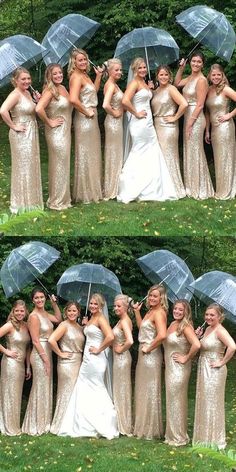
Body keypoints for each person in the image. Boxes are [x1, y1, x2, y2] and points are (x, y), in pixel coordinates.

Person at [117, 57, 178, 203]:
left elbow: (145, 98)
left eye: (144, 67)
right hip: (139, 123)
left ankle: (152, 185)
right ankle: (133, 185)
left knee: (151, 151)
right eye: (140, 68)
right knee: (140, 150)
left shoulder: (144, 83)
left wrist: (149, 89)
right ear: (134, 70)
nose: (143, 70)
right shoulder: (133, 83)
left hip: (148, 123)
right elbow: (125, 101)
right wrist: (136, 113)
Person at [58, 293, 119, 439]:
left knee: (95, 386)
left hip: (95, 359)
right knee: (85, 387)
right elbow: (92, 333)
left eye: (95, 304)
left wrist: (99, 349)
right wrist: (86, 325)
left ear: (101, 306)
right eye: (91, 303)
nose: (92, 306)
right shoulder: (92, 318)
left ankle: (100, 421)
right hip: (87, 358)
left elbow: (110, 336)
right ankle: (83, 421)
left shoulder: (101, 319)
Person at [0, 67, 43, 214]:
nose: (26, 81)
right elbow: (2, 110)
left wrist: (38, 101)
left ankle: (31, 201)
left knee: (30, 166)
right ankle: (21, 203)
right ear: (15, 80)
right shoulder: (15, 94)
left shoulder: (27, 92)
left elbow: (32, 111)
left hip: (31, 133)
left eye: (28, 78)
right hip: (21, 135)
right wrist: (13, 125)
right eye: (23, 79)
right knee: (23, 167)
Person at [193, 303, 236, 449]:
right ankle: (204, 436)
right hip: (204, 368)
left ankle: (214, 439)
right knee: (205, 401)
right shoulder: (207, 329)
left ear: (220, 316)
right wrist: (197, 337)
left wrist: (222, 361)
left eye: (212, 315)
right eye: (207, 314)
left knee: (212, 403)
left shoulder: (220, 330)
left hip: (214, 371)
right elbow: (203, 346)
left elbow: (233, 346)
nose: (209, 317)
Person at [22, 288, 62, 435]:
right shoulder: (33, 316)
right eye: (36, 298)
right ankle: (35, 423)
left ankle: (44, 421)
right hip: (40, 355)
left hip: (47, 353)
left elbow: (58, 320)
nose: (39, 300)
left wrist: (54, 304)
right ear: (32, 300)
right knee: (40, 387)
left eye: (41, 297)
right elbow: (35, 340)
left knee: (46, 386)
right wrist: (45, 359)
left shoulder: (44, 313)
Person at [174, 52, 214, 199]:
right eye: (193, 61)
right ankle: (190, 185)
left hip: (195, 118)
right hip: (188, 117)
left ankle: (200, 187)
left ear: (203, 64)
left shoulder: (202, 80)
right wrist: (180, 68)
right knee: (189, 150)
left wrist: (190, 123)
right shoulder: (190, 77)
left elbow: (200, 104)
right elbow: (177, 84)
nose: (196, 64)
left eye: (199, 62)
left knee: (195, 151)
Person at [68, 48, 103, 203]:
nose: (83, 62)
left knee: (93, 152)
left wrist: (99, 76)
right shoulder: (75, 77)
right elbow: (73, 99)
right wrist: (86, 112)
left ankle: (93, 188)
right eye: (80, 60)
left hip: (91, 117)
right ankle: (84, 193)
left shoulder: (84, 75)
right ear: (73, 62)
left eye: (85, 59)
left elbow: (92, 91)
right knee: (85, 153)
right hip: (84, 118)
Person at [132, 284, 167, 439]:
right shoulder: (151, 311)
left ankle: (151, 429)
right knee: (142, 389)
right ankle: (142, 425)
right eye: (151, 295)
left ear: (161, 298)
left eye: (155, 296)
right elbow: (142, 328)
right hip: (143, 353)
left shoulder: (159, 313)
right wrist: (137, 312)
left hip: (151, 355)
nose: (152, 298)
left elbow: (162, 335)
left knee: (150, 390)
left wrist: (149, 348)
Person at [163, 300, 200, 446]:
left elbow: (196, 345)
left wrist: (185, 358)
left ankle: (178, 436)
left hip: (179, 369)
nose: (177, 311)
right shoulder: (172, 324)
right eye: (176, 309)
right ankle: (171, 434)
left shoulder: (185, 326)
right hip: (170, 368)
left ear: (186, 312)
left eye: (180, 310)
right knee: (172, 400)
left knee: (176, 400)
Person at [36, 64, 73, 210]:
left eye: (60, 73)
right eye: (55, 74)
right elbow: (39, 109)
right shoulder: (50, 90)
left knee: (63, 164)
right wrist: (50, 122)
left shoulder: (63, 88)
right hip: (56, 133)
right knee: (59, 164)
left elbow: (71, 104)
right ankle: (57, 201)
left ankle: (63, 198)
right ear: (49, 76)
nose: (58, 75)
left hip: (65, 132)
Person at [49, 301, 85, 434]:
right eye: (69, 311)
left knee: (75, 393)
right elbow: (51, 340)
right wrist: (60, 353)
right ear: (66, 312)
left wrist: (85, 325)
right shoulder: (64, 325)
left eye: (74, 311)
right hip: (66, 363)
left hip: (78, 362)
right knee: (66, 392)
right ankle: (61, 424)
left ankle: (73, 423)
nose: (71, 313)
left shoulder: (79, 327)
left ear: (78, 312)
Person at [151, 65, 187, 199]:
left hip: (169, 127)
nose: (164, 77)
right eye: (161, 75)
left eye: (166, 75)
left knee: (169, 156)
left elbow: (184, 104)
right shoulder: (156, 90)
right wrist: (150, 90)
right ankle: (162, 187)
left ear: (170, 76)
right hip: (157, 126)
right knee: (160, 157)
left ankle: (174, 188)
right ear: (157, 76)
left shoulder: (171, 89)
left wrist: (175, 117)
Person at [205, 63, 236, 199]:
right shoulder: (209, 90)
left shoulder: (226, 89)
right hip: (214, 130)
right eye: (213, 75)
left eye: (218, 74)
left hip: (225, 128)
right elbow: (207, 112)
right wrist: (207, 130)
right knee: (219, 158)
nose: (216, 77)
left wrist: (228, 115)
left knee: (226, 157)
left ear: (222, 75)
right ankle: (221, 188)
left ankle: (227, 190)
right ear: (210, 76)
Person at [0, 300, 31, 435]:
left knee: (16, 394)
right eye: (17, 310)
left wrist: (28, 367)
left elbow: (28, 348)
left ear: (25, 312)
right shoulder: (9, 325)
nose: (19, 313)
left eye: (22, 311)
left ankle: (14, 424)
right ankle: (8, 426)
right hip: (10, 364)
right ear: (13, 311)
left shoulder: (26, 326)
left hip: (21, 366)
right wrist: (7, 351)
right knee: (9, 393)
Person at [103, 58, 124, 200]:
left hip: (116, 123)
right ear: (109, 71)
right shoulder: (110, 85)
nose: (119, 72)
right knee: (114, 153)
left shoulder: (113, 84)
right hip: (113, 123)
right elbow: (105, 105)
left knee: (115, 153)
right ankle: (112, 188)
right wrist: (115, 112)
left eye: (120, 70)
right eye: (116, 70)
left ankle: (115, 185)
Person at [113, 294, 133, 436]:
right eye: (115, 306)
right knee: (120, 389)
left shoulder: (125, 321)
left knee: (121, 390)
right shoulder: (122, 320)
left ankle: (123, 424)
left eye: (119, 306)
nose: (116, 308)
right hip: (118, 358)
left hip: (122, 359)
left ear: (126, 307)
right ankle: (120, 421)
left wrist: (120, 349)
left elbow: (130, 341)